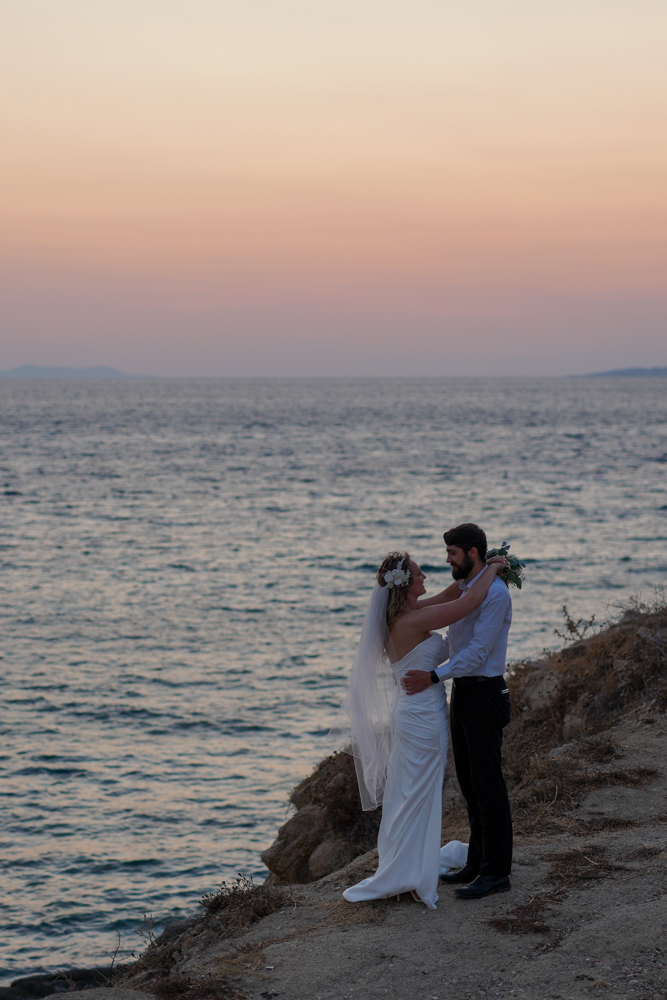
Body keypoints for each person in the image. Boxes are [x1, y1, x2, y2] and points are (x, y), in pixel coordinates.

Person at [330, 549, 508, 909]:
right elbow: (467, 602)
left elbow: (456, 592)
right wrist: (494, 568)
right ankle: (411, 874)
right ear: (407, 583)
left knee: (410, 793)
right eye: (419, 572)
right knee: (418, 795)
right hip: (421, 717)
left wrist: (474, 569)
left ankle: (411, 867)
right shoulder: (410, 622)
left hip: (414, 713)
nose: (426, 576)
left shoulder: (407, 614)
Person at [404, 523, 513, 900]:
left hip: (486, 694)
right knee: (469, 784)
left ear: (471, 552)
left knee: (489, 787)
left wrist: (433, 675)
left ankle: (497, 873)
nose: (447, 559)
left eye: (452, 553)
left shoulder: (494, 594)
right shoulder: (469, 588)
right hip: (464, 694)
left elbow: (478, 653)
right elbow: (455, 643)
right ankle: (477, 861)